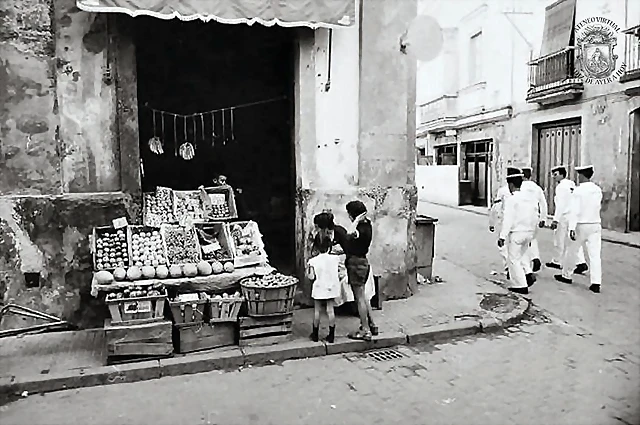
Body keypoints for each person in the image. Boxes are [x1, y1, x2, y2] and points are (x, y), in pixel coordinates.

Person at [554, 165, 603, 293]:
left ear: (581, 175)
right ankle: (596, 282)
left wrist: (571, 227)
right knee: (595, 254)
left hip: (581, 224)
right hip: (595, 223)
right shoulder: (597, 190)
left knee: (572, 250)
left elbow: (574, 210)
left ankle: (566, 275)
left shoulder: (578, 191)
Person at [333, 200, 377, 341]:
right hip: (363, 262)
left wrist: (357, 220)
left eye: (349, 214)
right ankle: (372, 324)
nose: (348, 217)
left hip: (356, 264)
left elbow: (350, 233)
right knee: (364, 296)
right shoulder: (368, 225)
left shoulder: (360, 229)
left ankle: (365, 330)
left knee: (359, 299)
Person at [498, 170, 539, 294]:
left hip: (517, 233)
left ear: (510, 185)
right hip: (529, 232)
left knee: (513, 259)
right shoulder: (530, 199)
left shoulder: (512, 200)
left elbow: (508, 219)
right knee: (522, 256)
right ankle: (528, 273)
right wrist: (533, 234)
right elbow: (535, 216)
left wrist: (502, 236)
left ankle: (521, 285)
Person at [546, 165, 588, 273]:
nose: (554, 177)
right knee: (572, 240)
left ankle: (557, 261)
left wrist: (555, 219)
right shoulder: (571, 184)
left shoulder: (561, 187)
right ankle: (581, 262)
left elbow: (561, 205)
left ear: (561, 174)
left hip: (564, 216)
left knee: (559, 239)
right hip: (572, 215)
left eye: (556, 175)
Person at [307, 234, 341, 343]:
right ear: (329, 246)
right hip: (331, 287)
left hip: (319, 287)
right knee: (330, 310)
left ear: (316, 247)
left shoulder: (313, 261)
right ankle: (331, 335)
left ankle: (315, 334)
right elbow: (340, 272)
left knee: (317, 311)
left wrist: (308, 270)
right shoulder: (335, 258)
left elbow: (311, 277)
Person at [489, 166, 521, 278]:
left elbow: (496, 207)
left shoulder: (502, 190)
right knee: (515, 247)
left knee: (503, 245)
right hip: (518, 221)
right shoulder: (522, 191)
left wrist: (492, 222)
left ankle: (508, 266)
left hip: (504, 220)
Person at [520, 166, 547, 272]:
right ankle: (535, 258)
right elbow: (543, 203)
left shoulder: (520, 187)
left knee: (523, 242)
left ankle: (526, 267)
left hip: (523, 217)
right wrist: (543, 218)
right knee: (532, 238)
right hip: (534, 216)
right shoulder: (536, 188)